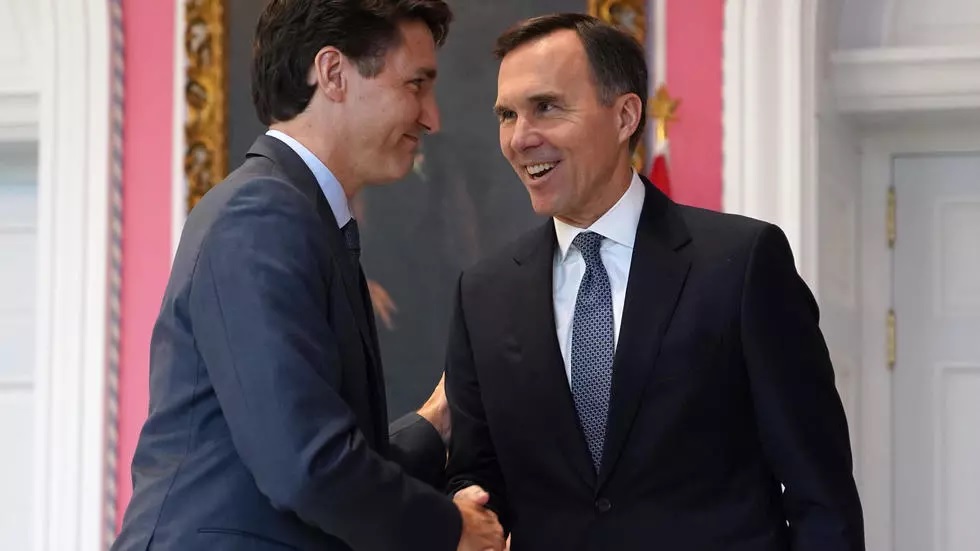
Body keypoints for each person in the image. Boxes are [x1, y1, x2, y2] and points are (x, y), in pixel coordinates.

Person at [445, 13, 865, 551]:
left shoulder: (741, 263)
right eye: (507, 114)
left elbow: (819, 490)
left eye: (545, 107)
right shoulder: (484, 293)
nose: (520, 138)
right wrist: (463, 500)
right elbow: (476, 476)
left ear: (624, 117)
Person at [112, 1, 503, 550]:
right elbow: (308, 468)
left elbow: (313, 455)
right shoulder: (262, 215)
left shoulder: (300, 217)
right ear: (334, 74)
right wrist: (454, 530)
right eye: (415, 84)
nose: (431, 116)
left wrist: (435, 424)